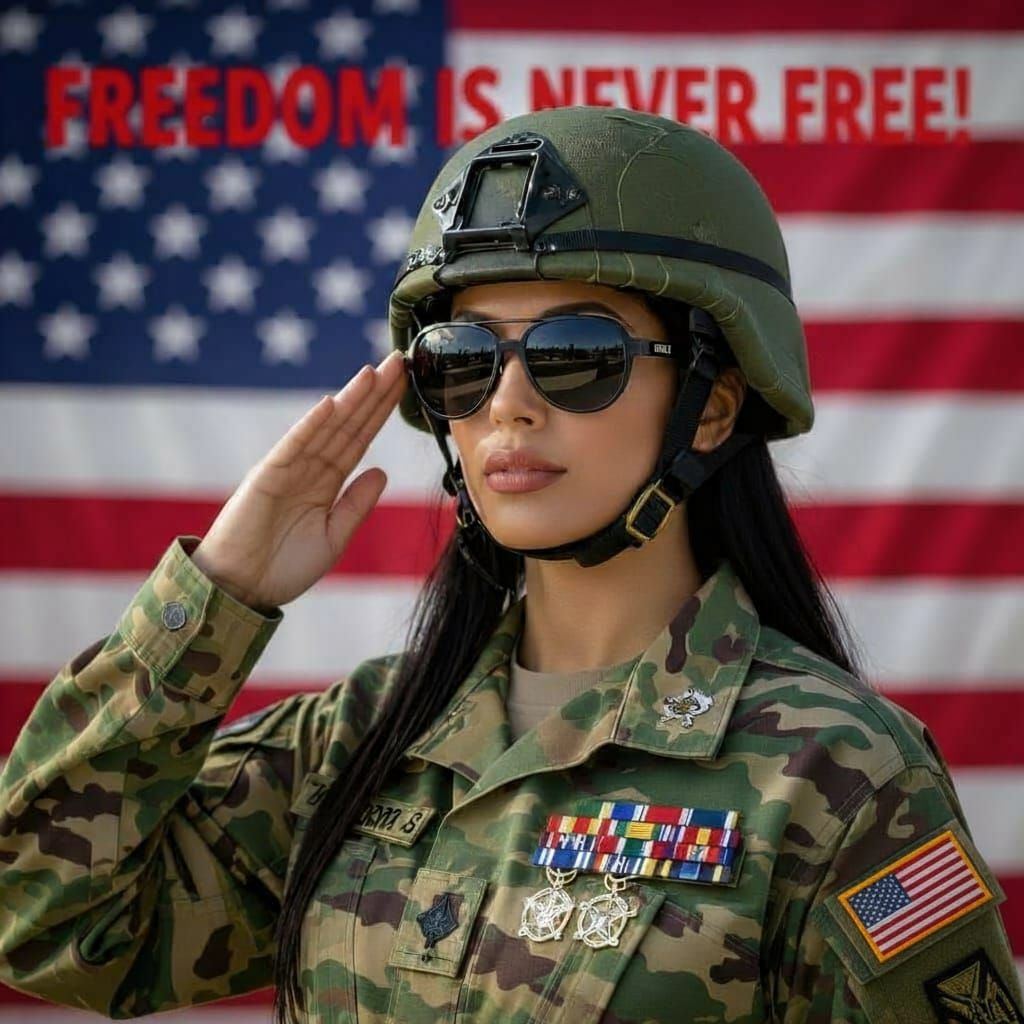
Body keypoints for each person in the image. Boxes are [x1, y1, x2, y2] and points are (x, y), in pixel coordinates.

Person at [0, 106, 1019, 1024]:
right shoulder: (357, 745)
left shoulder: (838, 776)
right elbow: (46, 917)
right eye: (464, 358)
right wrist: (216, 596)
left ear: (711, 402)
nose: (508, 403)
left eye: (578, 352)